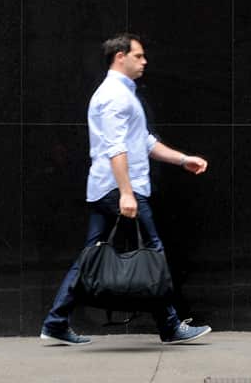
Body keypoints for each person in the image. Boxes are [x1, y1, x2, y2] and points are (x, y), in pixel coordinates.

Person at [40, 33, 212, 346]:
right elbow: (115, 147)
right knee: (154, 252)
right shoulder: (113, 96)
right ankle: (170, 325)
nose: (144, 61)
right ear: (120, 56)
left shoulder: (123, 94)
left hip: (111, 188)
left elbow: (144, 143)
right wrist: (126, 193)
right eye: (139, 55)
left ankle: (55, 321)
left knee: (90, 256)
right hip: (118, 189)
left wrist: (183, 159)